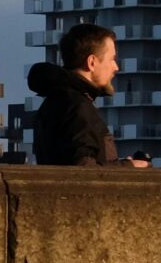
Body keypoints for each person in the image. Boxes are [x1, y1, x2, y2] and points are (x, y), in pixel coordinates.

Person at [27, 23, 145, 167]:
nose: (116, 67)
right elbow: (84, 169)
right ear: (92, 62)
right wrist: (129, 166)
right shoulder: (78, 107)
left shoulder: (55, 101)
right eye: (112, 59)